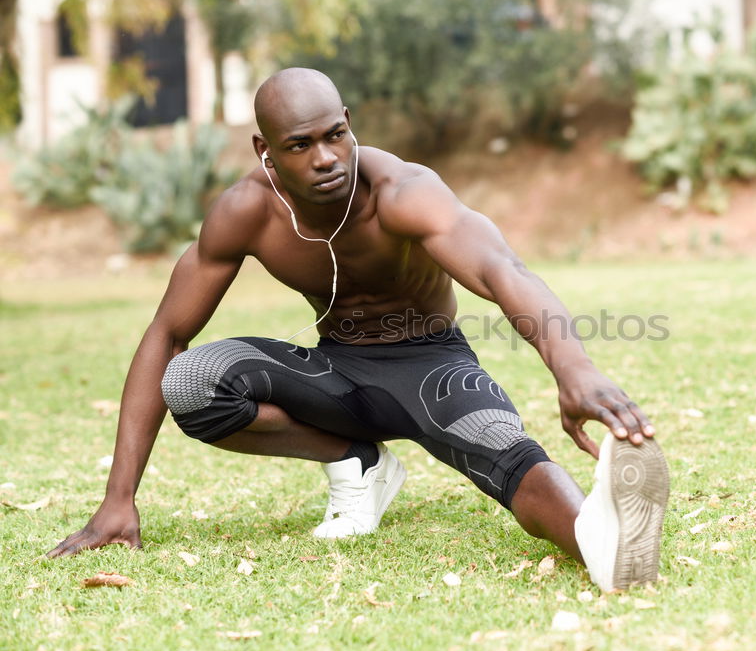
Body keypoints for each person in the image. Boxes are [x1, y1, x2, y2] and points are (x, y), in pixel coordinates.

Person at [47, 68, 669, 592]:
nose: (325, 159)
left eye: (335, 135)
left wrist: (573, 366)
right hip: (337, 373)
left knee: (500, 447)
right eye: (299, 146)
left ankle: (600, 538)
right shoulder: (246, 212)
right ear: (264, 149)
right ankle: (355, 461)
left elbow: (501, 269)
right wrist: (118, 498)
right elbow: (166, 334)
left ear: (349, 123)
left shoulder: (403, 191)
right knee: (190, 381)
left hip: (432, 367)